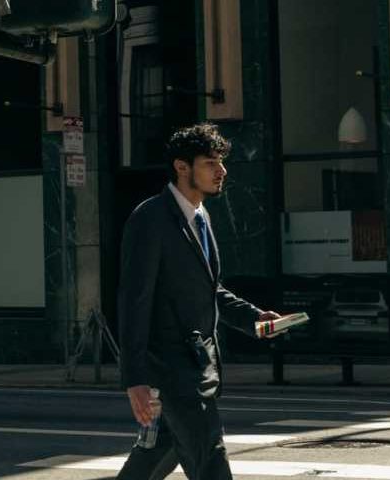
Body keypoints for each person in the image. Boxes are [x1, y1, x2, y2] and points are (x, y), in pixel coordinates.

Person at [115, 123, 281, 480]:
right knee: (210, 460)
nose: (222, 171)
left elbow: (209, 288)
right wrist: (134, 378)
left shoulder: (200, 217)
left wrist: (254, 318)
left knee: (154, 457)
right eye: (210, 162)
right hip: (174, 373)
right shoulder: (151, 219)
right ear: (182, 167)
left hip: (198, 365)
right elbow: (133, 301)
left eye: (221, 162)